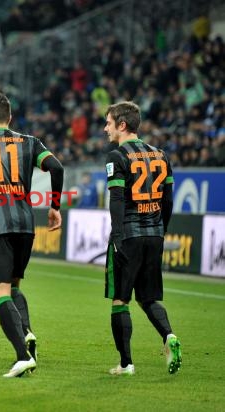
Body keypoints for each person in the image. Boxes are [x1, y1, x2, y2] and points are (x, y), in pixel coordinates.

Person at [0, 92, 64, 378]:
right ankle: (27, 332)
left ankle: (21, 355)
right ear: (10, 118)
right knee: (14, 284)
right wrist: (54, 207)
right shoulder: (30, 143)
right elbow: (56, 166)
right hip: (25, 226)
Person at [103, 101, 182, 376]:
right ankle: (169, 335)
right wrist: (162, 229)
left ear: (122, 125)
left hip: (129, 236)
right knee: (148, 298)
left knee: (120, 300)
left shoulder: (117, 156)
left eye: (109, 123)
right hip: (154, 234)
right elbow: (169, 200)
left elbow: (116, 200)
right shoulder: (161, 155)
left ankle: (126, 364)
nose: (105, 128)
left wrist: (116, 235)